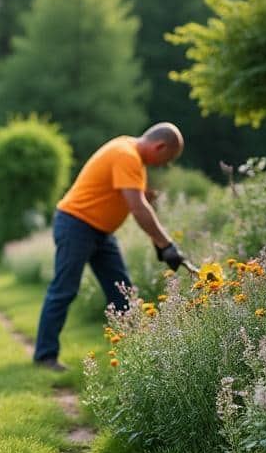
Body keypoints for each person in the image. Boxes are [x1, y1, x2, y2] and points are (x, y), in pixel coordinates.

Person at [33, 123, 189, 371]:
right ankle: (44, 356)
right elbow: (138, 208)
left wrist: (159, 242)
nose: (162, 166)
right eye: (166, 159)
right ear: (159, 146)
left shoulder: (127, 150)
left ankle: (138, 357)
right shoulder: (126, 156)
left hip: (101, 233)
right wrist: (167, 244)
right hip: (76, 225)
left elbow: (135, 202)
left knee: (123, 292)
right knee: (64, 289)